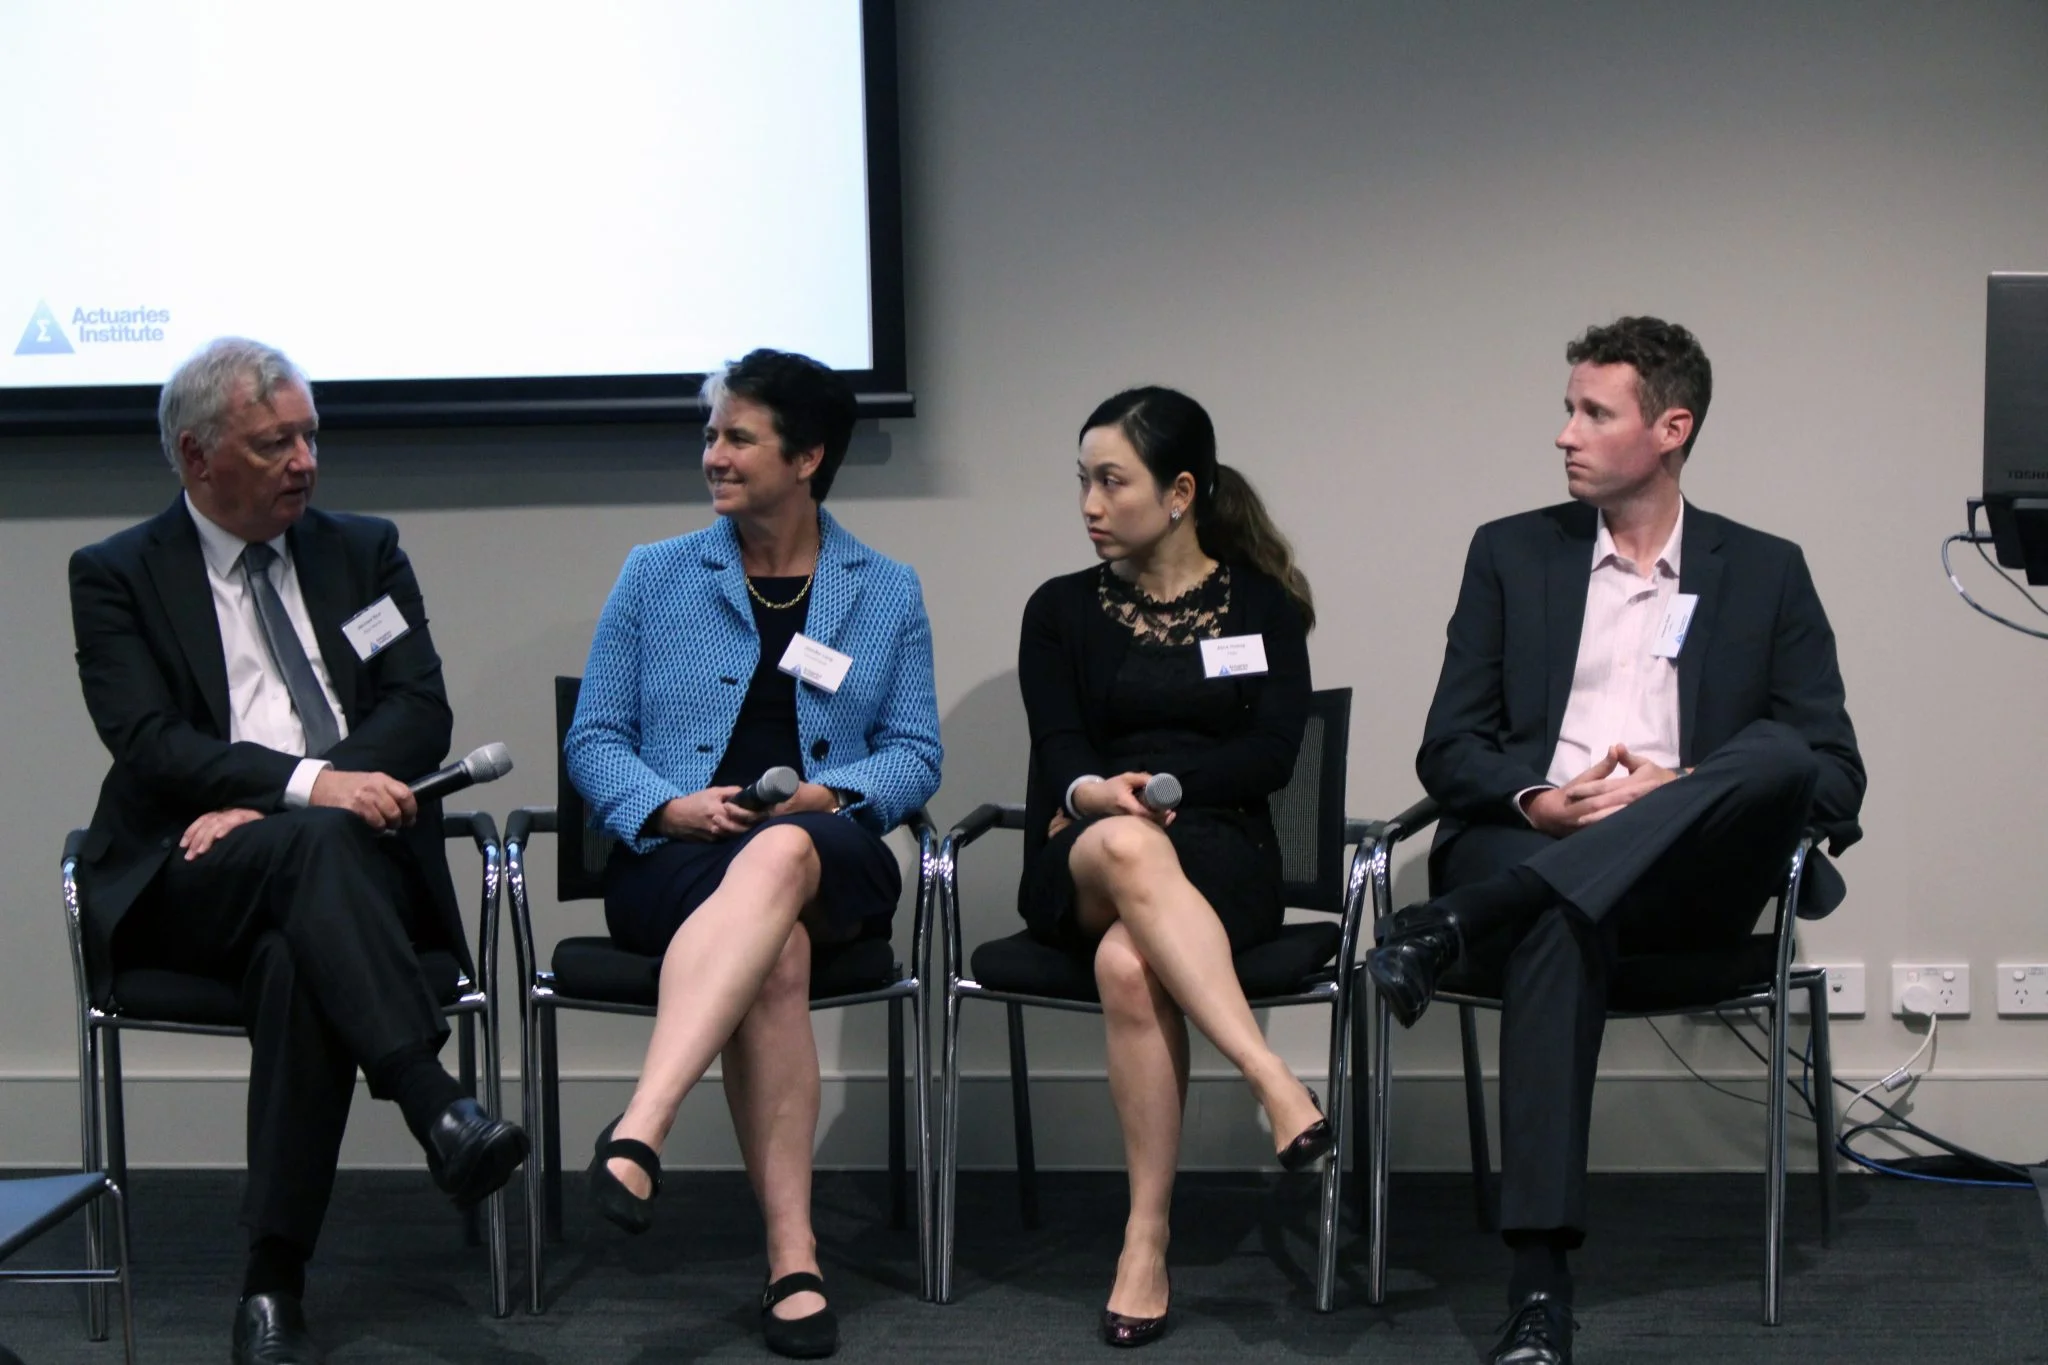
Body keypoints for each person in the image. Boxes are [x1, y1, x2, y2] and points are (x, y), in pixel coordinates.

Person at [1368, 317, 1866, 1364]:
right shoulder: (1509, 553)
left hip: (1688, 877)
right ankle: (1539, 1286)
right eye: (1567, 409)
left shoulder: (1764, 571)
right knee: (1561, 915)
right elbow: (1447, 748)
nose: (1564, 434)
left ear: (1669, 428)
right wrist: (1542, 800)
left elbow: (1829, 776)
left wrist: (1678, 790)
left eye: (1592, 412)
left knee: (1772, 754)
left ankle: (1452, 925)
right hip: (1533, 846)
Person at [67, 337, 528, 1365]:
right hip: (189, 879)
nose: (305, 462)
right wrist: (305, 792)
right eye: (276, 443)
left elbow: (420, 708)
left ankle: (271, 1285)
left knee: (295, 962)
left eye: (310, 436)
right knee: (312, 854)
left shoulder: (360, 552)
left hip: (327, 883)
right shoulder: (115, 576)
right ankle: (429, 1098)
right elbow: (150, 744)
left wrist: (297, 814)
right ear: (196, 457)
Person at [564, 348, 941, 1359]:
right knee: (771, 951)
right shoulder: (655, 575)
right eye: (710, 434)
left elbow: (915, 754)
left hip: (831, 851)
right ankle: (792, 1258)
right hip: (679, 855)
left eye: (737, 437)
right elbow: (594, 739)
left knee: (781, 858)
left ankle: (642, 1124)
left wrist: (836, 794)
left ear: (806, 456)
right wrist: (664, 807)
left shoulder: (885, 589)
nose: (713, 455)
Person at [1014, 386, 1329, 1349]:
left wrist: (1170, 785)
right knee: (1119, 841)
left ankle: (1144, 1239)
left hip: (1221, 852)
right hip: (1084, 851)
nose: (1090, 505)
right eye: (1083, 482)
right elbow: (1060, 745)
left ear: (1181, 490)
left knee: (1125, 964)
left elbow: (1277, 752)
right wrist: (1101, 794)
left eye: (1113, 481)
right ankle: (1273, 1079)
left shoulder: (1262, 603)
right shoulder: (1061, 610)